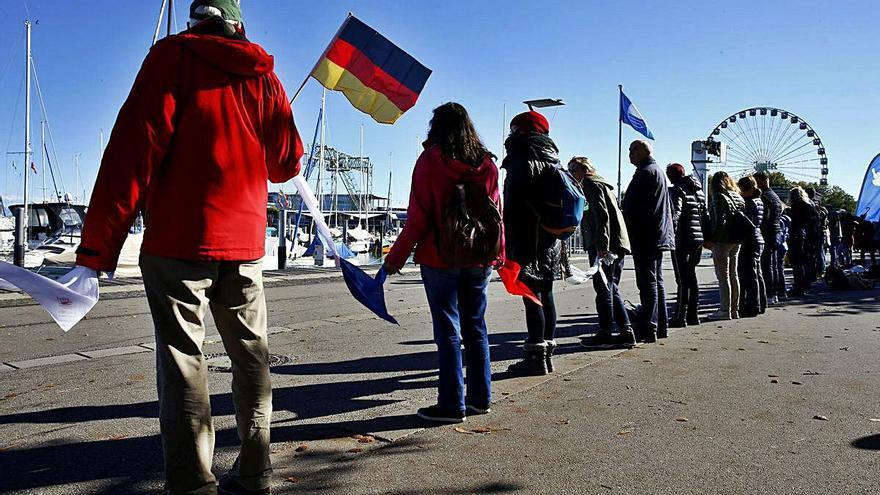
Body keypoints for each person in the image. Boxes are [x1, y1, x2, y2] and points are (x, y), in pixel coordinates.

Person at [76, 2, 304, 494]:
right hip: (244, 245)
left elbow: (132, 152)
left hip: (179, 241)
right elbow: (285, 163)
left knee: (183, 359)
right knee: (251, 356)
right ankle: (256, 468)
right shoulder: (264, 75)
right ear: (238, 23)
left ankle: (192, 482)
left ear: (195, 20)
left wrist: (97, 250)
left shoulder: (172, 58)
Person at [384, 102, 501, 423]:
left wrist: (394, 259)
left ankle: (452, 404)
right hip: (479, 259)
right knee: (476, 327)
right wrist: (499, 254)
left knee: (448, 331)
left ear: (436, 127)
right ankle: (481, 398)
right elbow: (496, 216)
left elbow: (417, 219)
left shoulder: (430, 162)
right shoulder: (488, 165)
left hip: (440, 257)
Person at [502, 111, 562, 374]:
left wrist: (506, 239)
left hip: (527, 236)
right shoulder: (553, 158)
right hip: (551, 238)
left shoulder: (521, 157)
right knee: (546, 294)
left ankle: (535, 358)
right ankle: (547, 354)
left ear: (520, 131)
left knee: (530, 296)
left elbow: (513, 204)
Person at [568, 157, 637, 348]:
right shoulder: (599, 184)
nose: (570, 174)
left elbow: (601, 215)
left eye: (572, 169)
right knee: (609, 287)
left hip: (607, 245)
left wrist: (601, 245)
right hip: (614, 242)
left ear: (584, 169)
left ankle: (609, 331)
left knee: (605, 288)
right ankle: (625, 331)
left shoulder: (590, 183)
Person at [622, 140, 675, 341]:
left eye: (632, 150)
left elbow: (634, 207)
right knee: (656, 281)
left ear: (643, 151)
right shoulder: (657, 171)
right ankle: (660, 324)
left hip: (646, 235)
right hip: (657, 234)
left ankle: (649, 326)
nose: (629, 154)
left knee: (647, 282)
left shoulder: (645, 173)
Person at [666, 163, 706, 328]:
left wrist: (670, 234)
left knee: (682, 278)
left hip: (682, 238)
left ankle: (680, 315)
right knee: (691, 276)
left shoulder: (677, 191)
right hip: (698, 238)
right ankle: (693, 314)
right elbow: (704, 214)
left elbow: (676, 213)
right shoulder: (699, 192)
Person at [704, 171, 745, 320]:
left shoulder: (718, 197)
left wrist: (712, 239)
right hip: (737, 239)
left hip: (723, 240)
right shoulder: (738, 196)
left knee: (723, 276)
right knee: (734, 275)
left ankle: (724, 309)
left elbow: (719, 221)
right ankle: (735, 309)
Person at [737, 176, 766, 317]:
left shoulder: (749, 203)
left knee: (749, 275)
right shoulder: (759, 201)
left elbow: (748, 222)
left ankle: (752, 305)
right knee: (757, 273)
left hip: (749, 240)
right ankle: (761, 303)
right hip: (758, 238)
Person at [754, 172, 785, 302]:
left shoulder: (764, 197)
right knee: (775, 265)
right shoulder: (775, 196)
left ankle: (770, 293)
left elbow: (764, 217)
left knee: (766, 265)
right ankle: (778, 292)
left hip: (768, 232)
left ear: (762, 181)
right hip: (776, 231)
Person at [788, 186, 817, 296]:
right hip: (807, 236)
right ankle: (805, 284)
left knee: (796, 263)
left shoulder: (795, 207)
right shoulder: (809, 207)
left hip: (797, 236)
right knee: (805, 261)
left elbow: (794, 224)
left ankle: (798, 286)